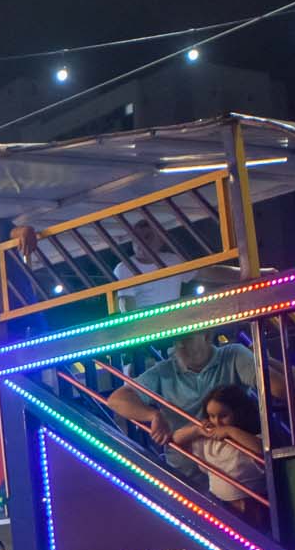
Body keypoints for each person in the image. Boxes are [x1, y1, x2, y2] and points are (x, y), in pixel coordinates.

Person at [104, 331, 260, 476]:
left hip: (233, 466)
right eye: (176, 340)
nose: (179, 345)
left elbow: (269, 383)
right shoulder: (164, 371)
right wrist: (153, 415)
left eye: (186, 338)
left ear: (206, 336)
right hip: (185, 470)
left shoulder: (233, 354)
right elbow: (116, 399)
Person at [173, 383, 265, 518]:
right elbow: (176, 438)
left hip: (252, 502)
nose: (217, 422)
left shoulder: (251, 437)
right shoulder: (208, 440)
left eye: (223, 416)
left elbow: (260, 448)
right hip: (217, 502)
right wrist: (197, 429)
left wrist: (230, 431)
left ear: (239, 413)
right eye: (211, 416)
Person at [112, 217, 185, 312]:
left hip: (176, 318)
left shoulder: (174, 260)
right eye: (136, 238)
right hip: (148, 320)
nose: (141, 243)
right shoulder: (125, 268)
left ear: (161, 240)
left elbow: (200, 273)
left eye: (147, 237)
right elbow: (125, 303)